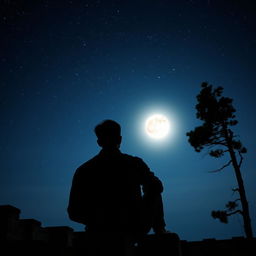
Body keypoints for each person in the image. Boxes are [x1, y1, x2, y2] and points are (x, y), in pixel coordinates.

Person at [67, 119, 167, 256]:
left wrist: (99, 219)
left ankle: (159, 230)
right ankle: (160, 231)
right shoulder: (134, 163)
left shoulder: (84, 169)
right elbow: (156, 187)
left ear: (99, 142)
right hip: (130, 226)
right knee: (153, 189)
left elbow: (73, 212)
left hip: (100, 229)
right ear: (120, 139)